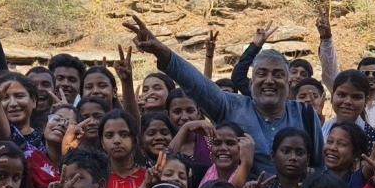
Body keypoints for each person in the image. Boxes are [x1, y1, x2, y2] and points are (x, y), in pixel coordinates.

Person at [125, 15, 323, 175]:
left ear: (289, 83)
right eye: (261, 74)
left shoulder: (304, 113)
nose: (269, 80)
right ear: (251, 81)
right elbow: (197, 84)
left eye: (278, 75)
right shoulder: (232, 107)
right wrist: (161, 51)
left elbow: (319, 167)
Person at [321, 70, 375, 148]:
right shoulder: (319, 132)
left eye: (356, 97)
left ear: (366, 101)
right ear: (332, 96)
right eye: (341, 95)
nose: (348, 101)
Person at [100, 111, 146, 188]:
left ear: (134, 140)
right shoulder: (96, 180)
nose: (117, 140)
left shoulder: (148, 178)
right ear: (102, 143)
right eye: (109, 135)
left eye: (124, 135)